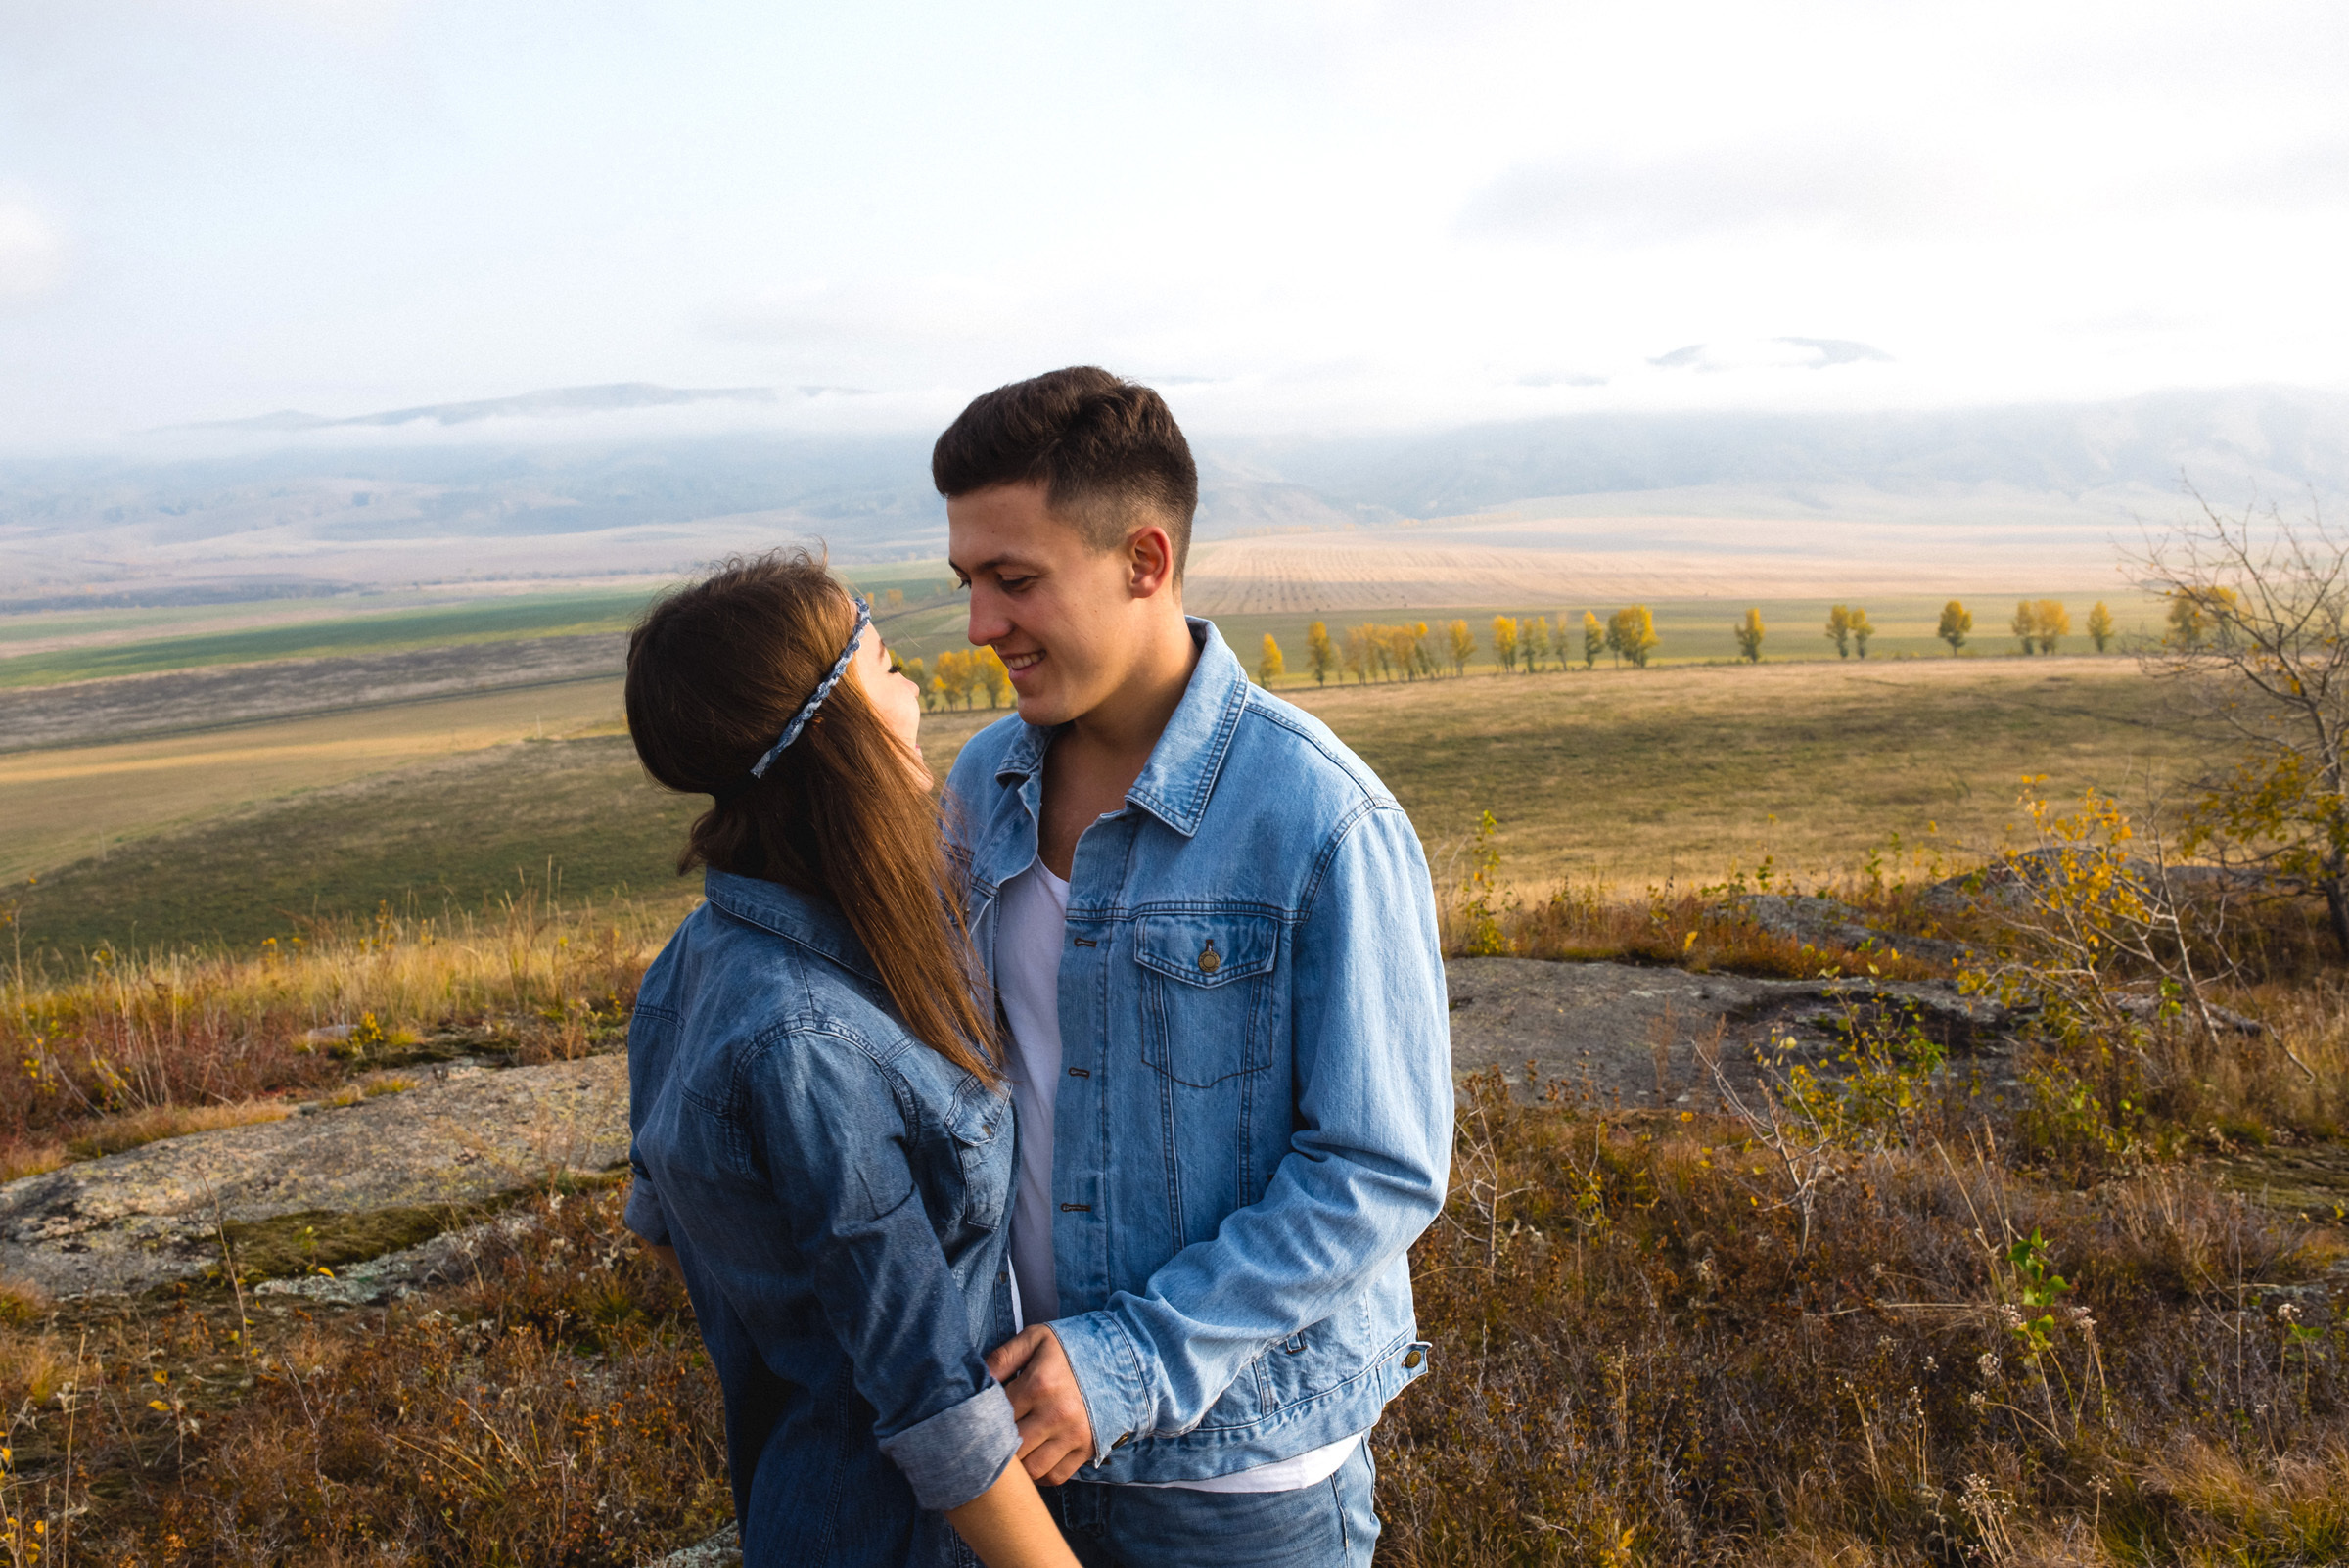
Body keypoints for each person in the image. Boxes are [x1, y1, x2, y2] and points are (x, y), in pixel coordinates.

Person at [936, 368, 1454, 1565]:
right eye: (968, 583)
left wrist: (1126, 1365)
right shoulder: (981, 785)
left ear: (1145, 560)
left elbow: (1378, 1168)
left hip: (1239, 1488)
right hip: (1015, 1455)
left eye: (1016, 580)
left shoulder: (1319, 819)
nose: (980, 625)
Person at [620, 553, 1081, 1568]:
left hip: (810, 1498)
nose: (914, 691)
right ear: (835, 727)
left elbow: (666, 1225)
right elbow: (932, 1405)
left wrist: (805, 1341)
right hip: (896, 1537)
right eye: (886, 666)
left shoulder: (693, 961)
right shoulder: (806, 1043)